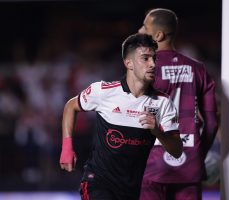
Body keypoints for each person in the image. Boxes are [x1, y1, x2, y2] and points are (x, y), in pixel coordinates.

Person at [59, 33, 183, 200]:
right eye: (145, 58)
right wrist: (67, 148)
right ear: (128, 63)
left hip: (131, 189)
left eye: (154, 58)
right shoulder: (104, 91)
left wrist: (158, 132)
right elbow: (70, 106)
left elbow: (177, 151)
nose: (153, 64)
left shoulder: (163, 102)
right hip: (98, 182)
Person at [138, 8, 219, 200]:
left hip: (152, 163)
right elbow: (212, 123)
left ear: (158, 35)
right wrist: (199, 155)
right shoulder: (198, 68)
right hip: (189, 164)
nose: (140, 31)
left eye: (145, 27)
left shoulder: (144, 69)